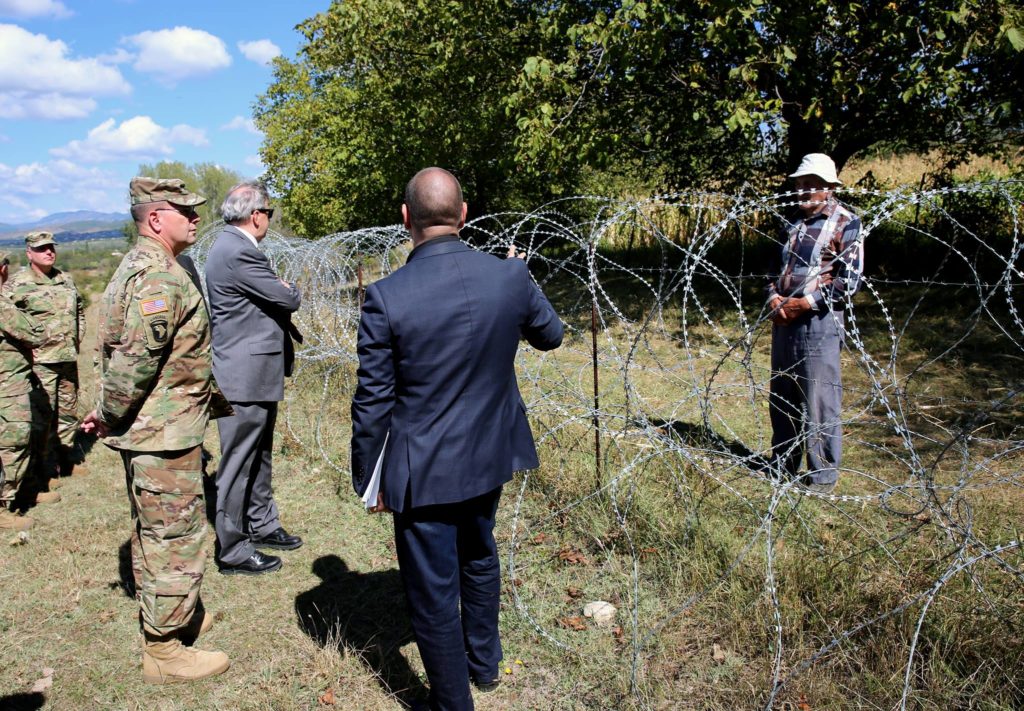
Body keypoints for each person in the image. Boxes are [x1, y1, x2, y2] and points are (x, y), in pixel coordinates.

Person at [351, 167, 564, 710]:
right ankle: (484, 664)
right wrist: (521, 278)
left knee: (432, 590)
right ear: (463, 214)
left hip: (422, 468)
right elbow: (552, 336)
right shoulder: (509, 278)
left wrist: (368, 479)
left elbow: (373, 401)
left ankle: (454, 700)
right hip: (490, 452)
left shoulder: (385, 296)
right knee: (478, 552)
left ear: (406, 220)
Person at [81, 176, 231, 683]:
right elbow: (135, 362)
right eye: (185, 211)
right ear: (154, 218)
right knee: (174, 536)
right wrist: (106, 413)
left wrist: (108, 413)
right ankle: (164, 649)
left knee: (156, 532)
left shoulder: (147, 266)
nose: (195, 218)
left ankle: (175, 617)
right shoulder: (158, 277)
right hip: (162, 433)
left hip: (160, 428)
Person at [205, 180, 303, 576]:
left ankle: (262, 524)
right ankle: (232, 548)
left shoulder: (234, 247)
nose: (269, 220)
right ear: (257, 214)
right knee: (239, 460)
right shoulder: (239, 251)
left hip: (253, 370)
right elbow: (288, 298)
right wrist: (288, 287)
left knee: (258, 454)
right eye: (269, 213)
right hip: (243, 374)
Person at [766, 153, 864, 494]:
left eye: (812, 185)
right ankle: (782, 464)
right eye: (800, 184)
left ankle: (821, 477)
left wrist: (803, 304)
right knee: (783, 395)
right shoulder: (789, 222)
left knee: (819, 400)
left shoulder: (846, 222)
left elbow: (848, 282)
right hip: (783, 320)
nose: (805, 191)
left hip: (819, 323)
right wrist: (774, 299)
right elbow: (771, 271)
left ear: (829, 188)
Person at [5, 231, 86, 486]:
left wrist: (77, 337)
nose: (49, 252)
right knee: (42, 419)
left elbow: (79, 311)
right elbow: (7, 321)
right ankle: (42, 470)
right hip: (39, 363)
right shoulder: (16, 285)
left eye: (51, 247)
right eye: (41, 249)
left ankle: (66, 458)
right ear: (29, 253)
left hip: (67, 359)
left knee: (68, 413)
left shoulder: (65, 279)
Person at [0, 249, 47, 530]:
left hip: (11, 381)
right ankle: (3, 505)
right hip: (7, 384)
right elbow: (34, 332)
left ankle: (21, 493)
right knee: (12, 441)